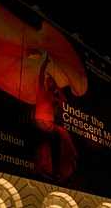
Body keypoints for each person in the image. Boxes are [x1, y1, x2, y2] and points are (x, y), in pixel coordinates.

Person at [26, 48, 78, 182]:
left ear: (53, 85)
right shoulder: (41, 89)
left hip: (49, 124)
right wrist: (46, 62)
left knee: (61, 136)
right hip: (41, 122)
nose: (49, 82)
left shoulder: (54, 97)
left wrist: (57, 85)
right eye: (48, 81)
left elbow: (64, 100)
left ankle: (63, 164)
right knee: (62, 133)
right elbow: (41, 74)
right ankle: (67, 160)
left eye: (51, 82)